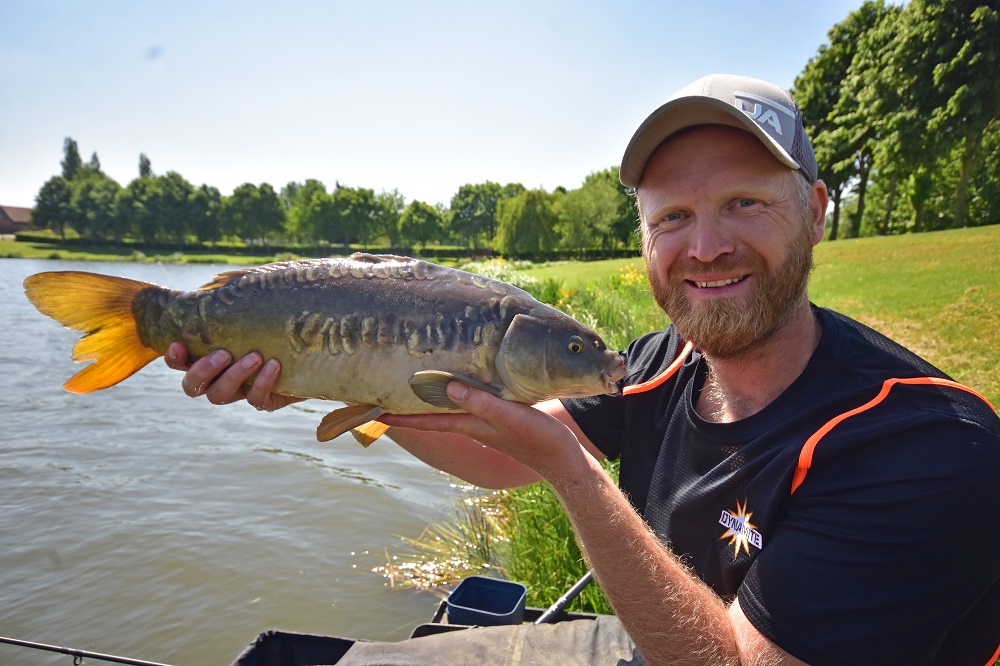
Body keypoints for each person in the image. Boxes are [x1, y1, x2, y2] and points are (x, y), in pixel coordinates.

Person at [168, 74, 1000, 665]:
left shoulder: (924, 447)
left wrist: (578, 478)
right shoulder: (663, 361)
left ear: (815, 212)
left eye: (745, 202)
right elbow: (505, 454)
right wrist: (364, 387)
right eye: (673, 215)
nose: (705, 246)